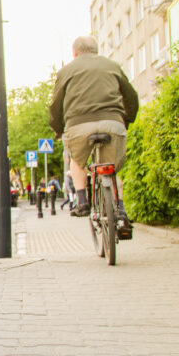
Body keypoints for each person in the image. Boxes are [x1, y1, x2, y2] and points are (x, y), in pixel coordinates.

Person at [49, 35, 138, 239]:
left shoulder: (66, 71)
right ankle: (121, 211)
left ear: (75, 53)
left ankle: (82, 201)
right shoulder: (112, 66)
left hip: (78, 125)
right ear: (96, 50)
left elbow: (55, 105)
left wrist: (58, 128)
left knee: (77, 161)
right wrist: (126, 120)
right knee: (112, 168)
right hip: (112, 122)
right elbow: (131, 97)